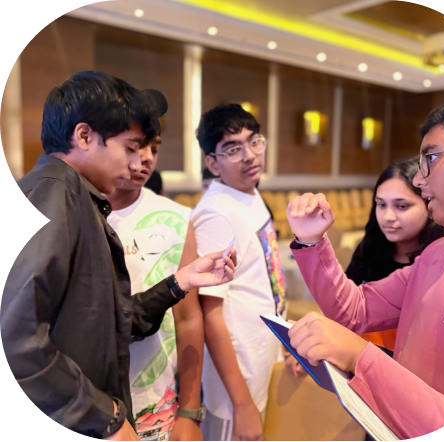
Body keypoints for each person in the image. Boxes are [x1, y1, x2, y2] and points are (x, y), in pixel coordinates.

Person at [0, 71, 237, 440]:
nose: (136, 164)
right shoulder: (53, 197)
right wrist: (103, 416)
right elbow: (16, 340)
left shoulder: (75, 197)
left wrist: (179, 283)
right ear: (84, 136)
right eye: (129, 148)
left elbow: (104, 324)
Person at [285, 95, 444, 439]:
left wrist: (359, 357)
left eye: (431, 158)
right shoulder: (437, 254)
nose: (419, 180)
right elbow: (355, 310)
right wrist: (312, 242)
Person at [105, 91, 205, 441]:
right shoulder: (78, 213)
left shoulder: (176, 219)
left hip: (157, 404)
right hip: (94, 406)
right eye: (135, 147)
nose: (146, 158)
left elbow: (189, 318)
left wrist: (190, 412)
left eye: (154, 148)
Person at [191, 104, 286, 441]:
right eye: (233, 149)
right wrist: (241, 403)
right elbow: (209, 313)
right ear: (213, 163)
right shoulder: (217, 214)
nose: (250, 155)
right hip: (236, 382)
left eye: (254, 141)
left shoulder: (250, 192)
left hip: (261, 357)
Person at [346, 156, 444, 354]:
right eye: (381, 205)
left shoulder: (443, 261)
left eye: (402, 206)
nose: (388, 217)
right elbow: (344, 308)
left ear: (430, 205)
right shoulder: (368, 250)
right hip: (356, 360)